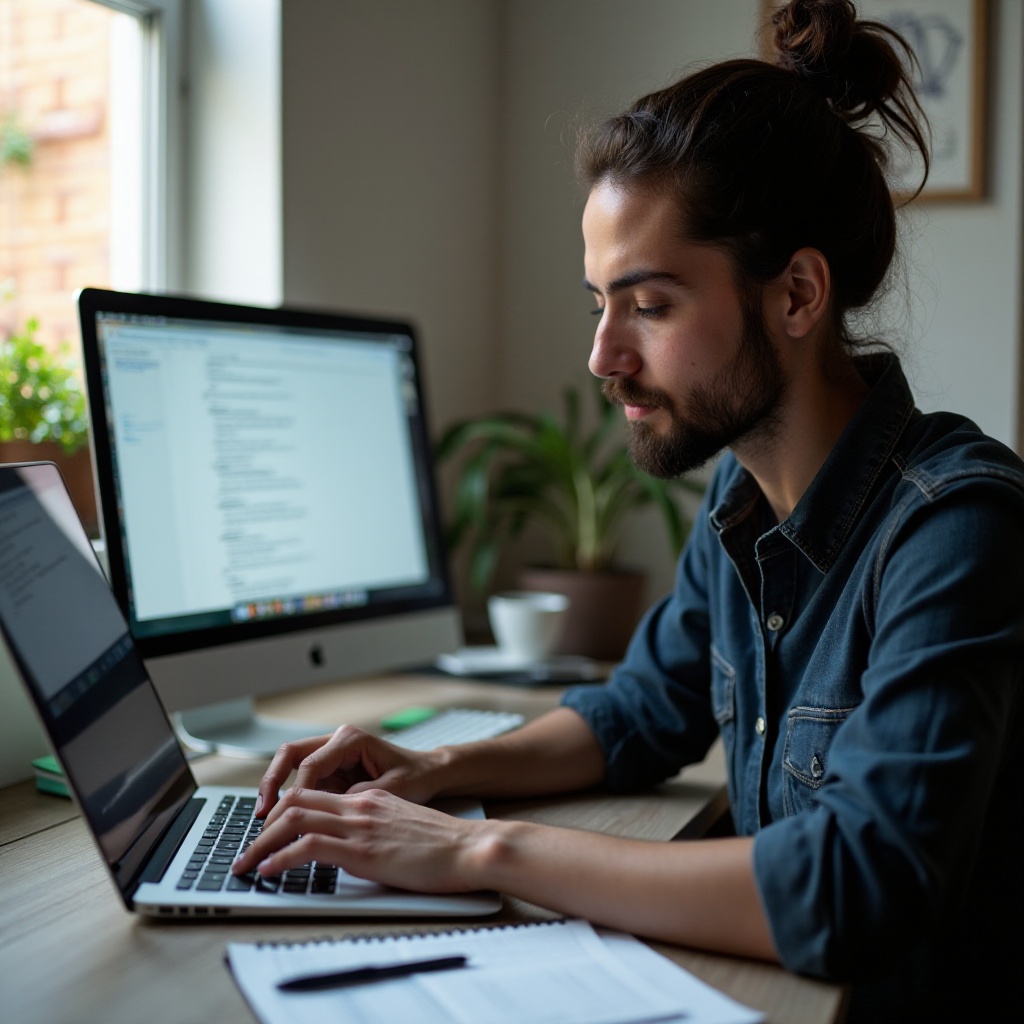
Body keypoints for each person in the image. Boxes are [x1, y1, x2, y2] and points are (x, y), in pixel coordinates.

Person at [232, 1, 1023, 1018]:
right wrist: (433, 767)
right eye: (596, 303)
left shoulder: (956, 527)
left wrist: (479, 846)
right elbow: (639, 713)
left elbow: (854, 887)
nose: (602, 357)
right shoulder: (743, 499)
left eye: (647, 305)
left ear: (794, 296)